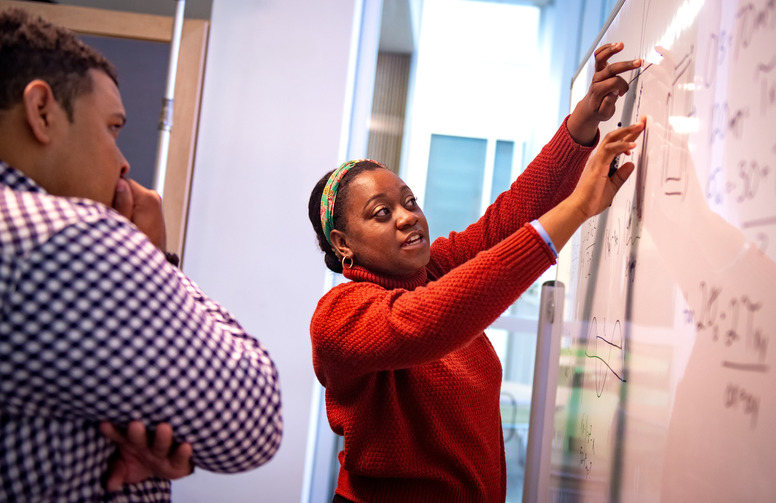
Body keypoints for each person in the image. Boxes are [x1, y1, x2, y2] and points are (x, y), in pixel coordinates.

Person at [307, 41, 646, 502]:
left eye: (409, 202)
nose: (408, 217)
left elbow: (507, 220)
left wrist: (582, 124)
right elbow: (433, 319)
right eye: (381, 213)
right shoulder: (340, 317)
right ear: (343, 244)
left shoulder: (433, 269)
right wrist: (578, 208)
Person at [0, 7, 282, 502]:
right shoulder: (65, 240)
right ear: (42, 111)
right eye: (111, 127)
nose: (124, 159)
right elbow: (255, 420)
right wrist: (154, 259)